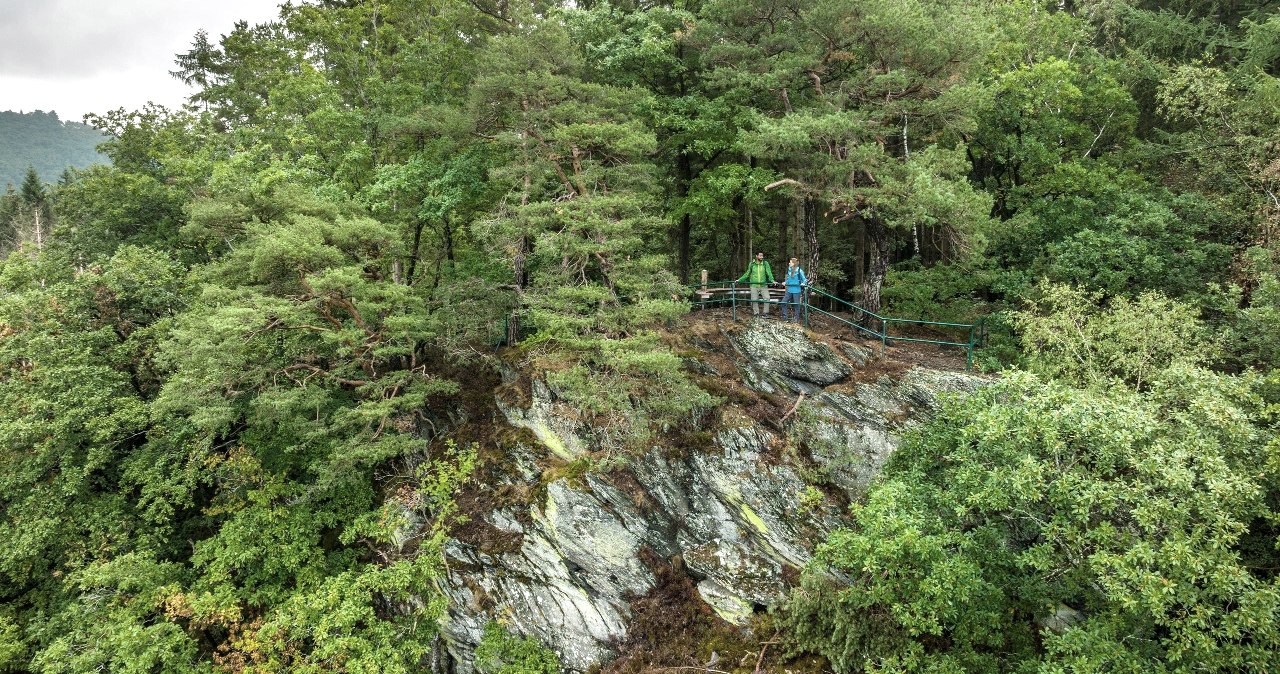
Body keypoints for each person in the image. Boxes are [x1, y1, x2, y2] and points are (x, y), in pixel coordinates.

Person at [736, 251, 775, 317]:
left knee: (767, 298)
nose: (762, 257)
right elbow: (747, 274)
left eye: (762, 256)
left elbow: (769, 273)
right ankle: (756, 313)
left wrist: (772, 280)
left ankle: (765, 313)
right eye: (760, 256)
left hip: (763, 285)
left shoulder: (765, 263)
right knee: (754, 300)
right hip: (754, 285)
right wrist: (739, 280)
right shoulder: (752, 264)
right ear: (756, 256)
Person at [780, 257, 807, 323]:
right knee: (783, 302)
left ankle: (796, 319)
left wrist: (803, 283)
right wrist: (785, 282)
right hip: (789, 290)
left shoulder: (799, 270)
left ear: (794, 263)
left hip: (797, 290)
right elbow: (789, 279)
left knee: (796, 305)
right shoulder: (789, 269)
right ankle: (785, 317)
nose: (789, 263)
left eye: (790, 262)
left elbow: (805, 280)